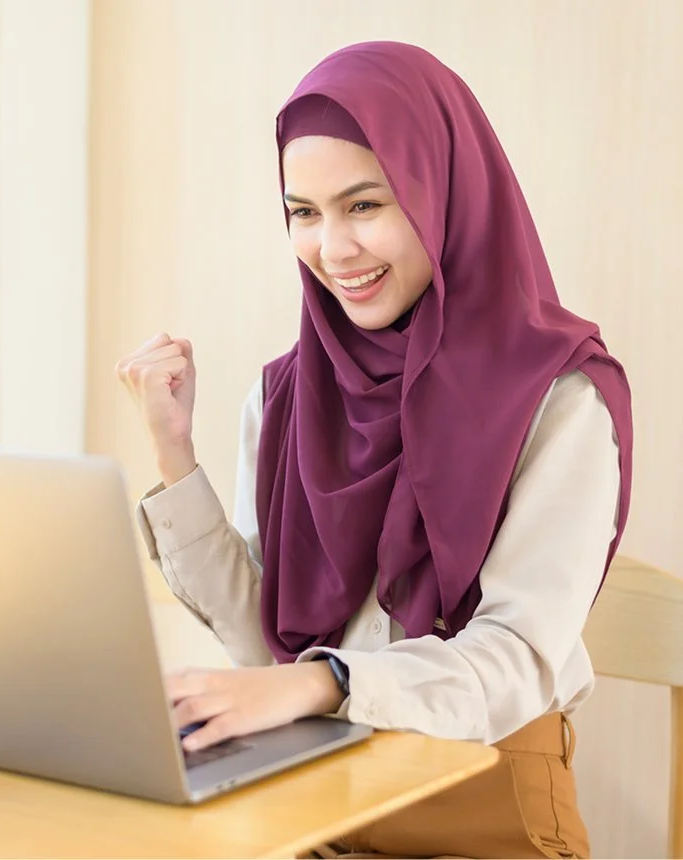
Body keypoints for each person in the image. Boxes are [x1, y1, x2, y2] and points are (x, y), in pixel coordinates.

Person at [115, 41, 632, 859]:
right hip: (313, 806)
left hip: (484, 807)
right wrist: (174, 454)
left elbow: (514, 658)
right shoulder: (287, 396)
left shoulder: (559, 399)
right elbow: (267, 643)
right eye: (304, 213)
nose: (334, 250)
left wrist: (323, 683)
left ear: (443, 191)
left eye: (365, 205)